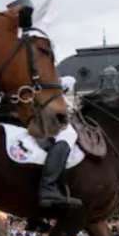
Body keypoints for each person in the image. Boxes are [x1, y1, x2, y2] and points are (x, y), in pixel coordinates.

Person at [37, 76, 82, 209]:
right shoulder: (55, 98)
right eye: (69, 89)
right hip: (45, 126)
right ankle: (48, 186)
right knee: (69, 134)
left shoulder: (62, 99)